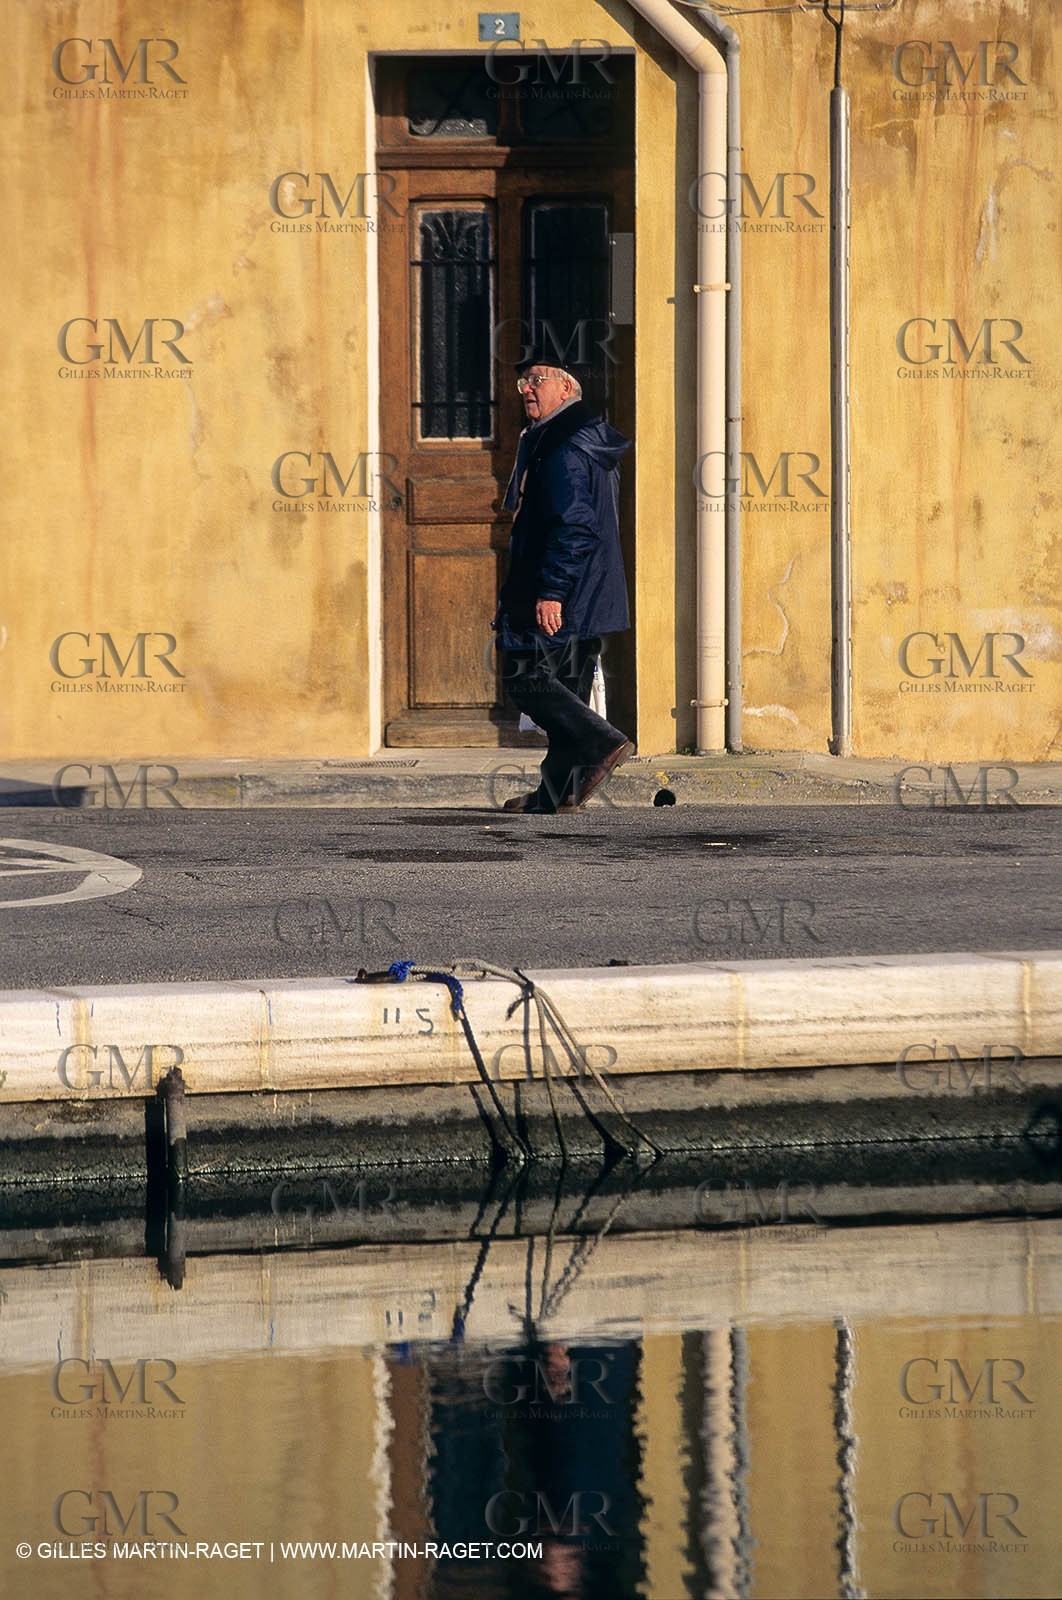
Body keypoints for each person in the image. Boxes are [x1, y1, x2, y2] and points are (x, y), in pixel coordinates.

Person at [494, 351, 635, 814]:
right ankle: (558, 793)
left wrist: (552, 591)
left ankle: (602, 741)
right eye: (524, 382)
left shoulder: (563, 446)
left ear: (568, 388)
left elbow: (574, 525)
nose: (528, 389)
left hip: (564, 590)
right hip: (586, 590)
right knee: (567, 689)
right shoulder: (567, 437)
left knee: (523, 676)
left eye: (538, 379)